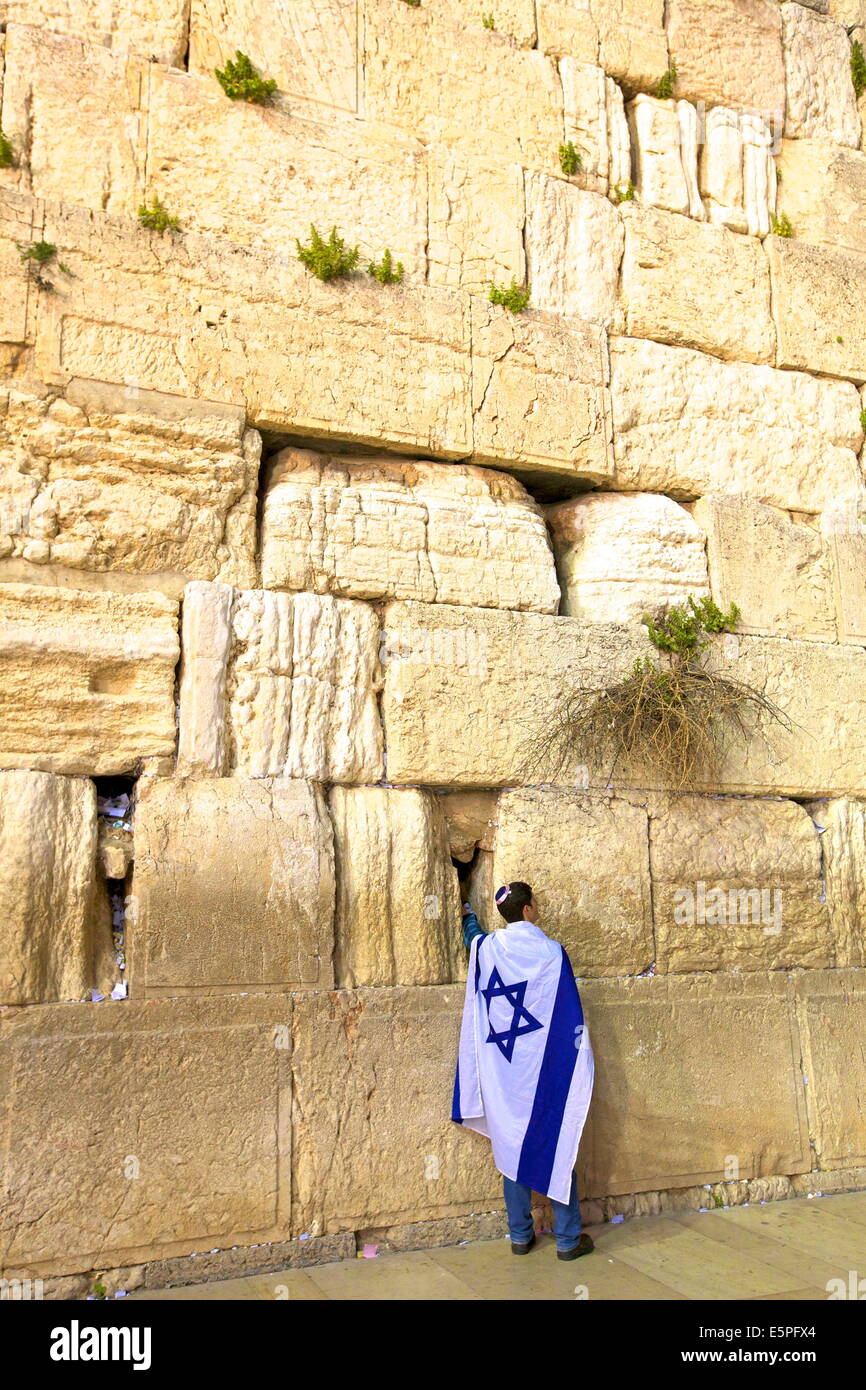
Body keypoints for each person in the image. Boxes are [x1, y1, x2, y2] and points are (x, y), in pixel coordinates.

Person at [452, 881, 595, 1260]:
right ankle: (567, 1240)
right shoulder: (551, 953)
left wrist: (467, 914)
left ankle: (520, 1237)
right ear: (529, 910)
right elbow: (565, 1010)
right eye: (536, 902)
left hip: (504, 1073)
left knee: (511, 1146)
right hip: (542, 1069)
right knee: (557, 1144)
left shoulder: (489, 948)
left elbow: (473, 939)